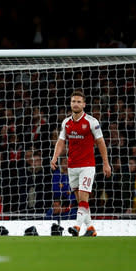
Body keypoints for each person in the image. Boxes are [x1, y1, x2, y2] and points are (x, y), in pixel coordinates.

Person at [50, 90, 111, 237]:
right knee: (80, 201)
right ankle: (90, 228)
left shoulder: (91, 122)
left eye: (78, 101)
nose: (75, 104)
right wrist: (54, 157)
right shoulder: (66, 122)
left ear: (84, 104)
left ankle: (76, 227)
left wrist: (106, 163)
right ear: (70, 103)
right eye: (73, 101)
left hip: (87, 166)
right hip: (72, 166)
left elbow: (101, 143)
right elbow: (61, 142)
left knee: (84, 197)